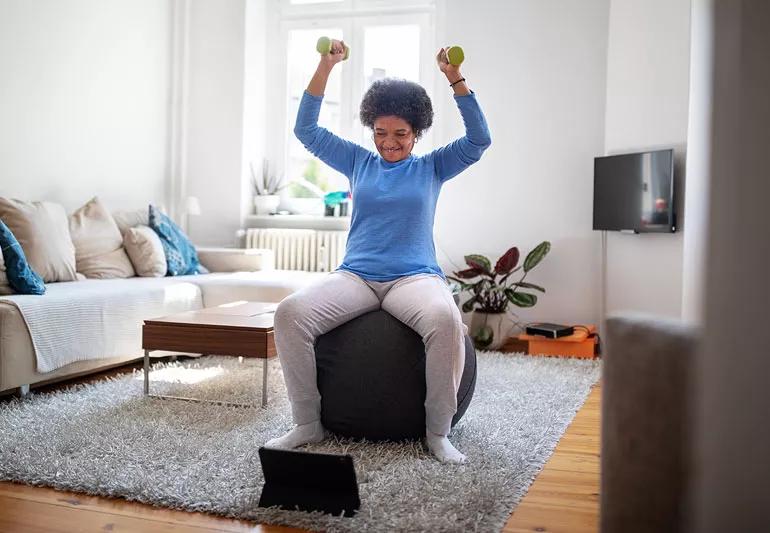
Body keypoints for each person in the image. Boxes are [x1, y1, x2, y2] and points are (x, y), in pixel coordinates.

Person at [265, 40, 491, 464]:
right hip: (356, 277)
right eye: (381, 133)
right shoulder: (358, 162)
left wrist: (453, 78)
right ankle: (307, 422)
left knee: (444, 319)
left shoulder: (432, 167)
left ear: (417, 133)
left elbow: (480, 139)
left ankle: (437, 432)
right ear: (371, 128)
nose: (389, 143)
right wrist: (325, 64)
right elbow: (306, 131)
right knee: (290, 313)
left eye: (400, 134)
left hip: (415, 277)